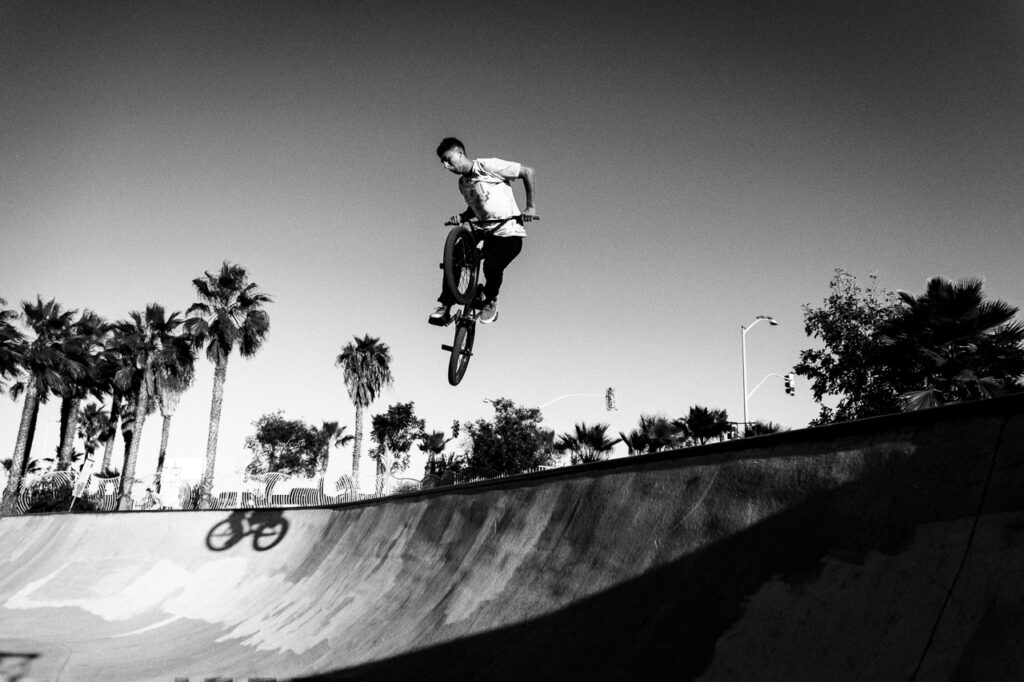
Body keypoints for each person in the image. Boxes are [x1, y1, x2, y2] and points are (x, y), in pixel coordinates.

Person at [429, 137, 537, 325]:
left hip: (509, 234)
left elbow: (528, 172)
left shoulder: (488, 166)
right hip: (484, 233)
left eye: (448, 159)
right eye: (443, 163)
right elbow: (477, 206)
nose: (446, 166)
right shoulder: (462, 184)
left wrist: (530, 206)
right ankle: (446, 306)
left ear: (460, 153)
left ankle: (491, 298)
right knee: (455, 256)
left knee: (491, 266)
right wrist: (463, 216)